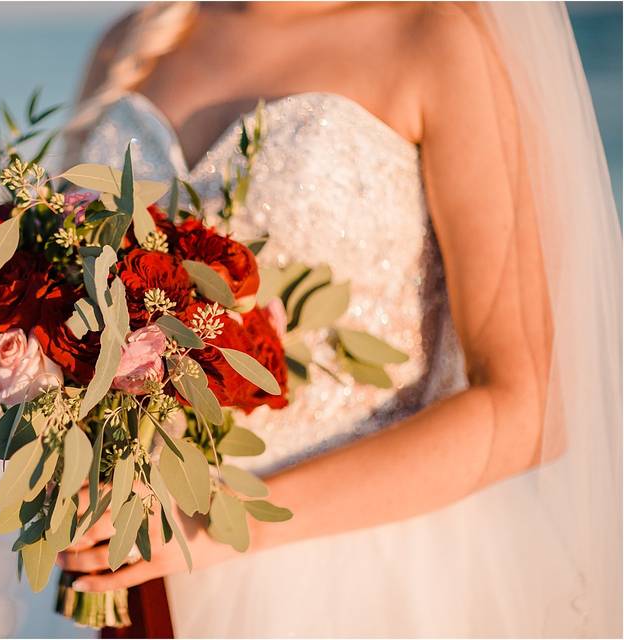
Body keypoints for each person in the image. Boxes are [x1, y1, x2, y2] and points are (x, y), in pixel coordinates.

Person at [57, 3, 622, 636]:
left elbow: (529, 406)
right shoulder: (132, 43)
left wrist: (216, 518)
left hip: (360, 578)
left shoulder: (435, 38)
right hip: (133, 561)